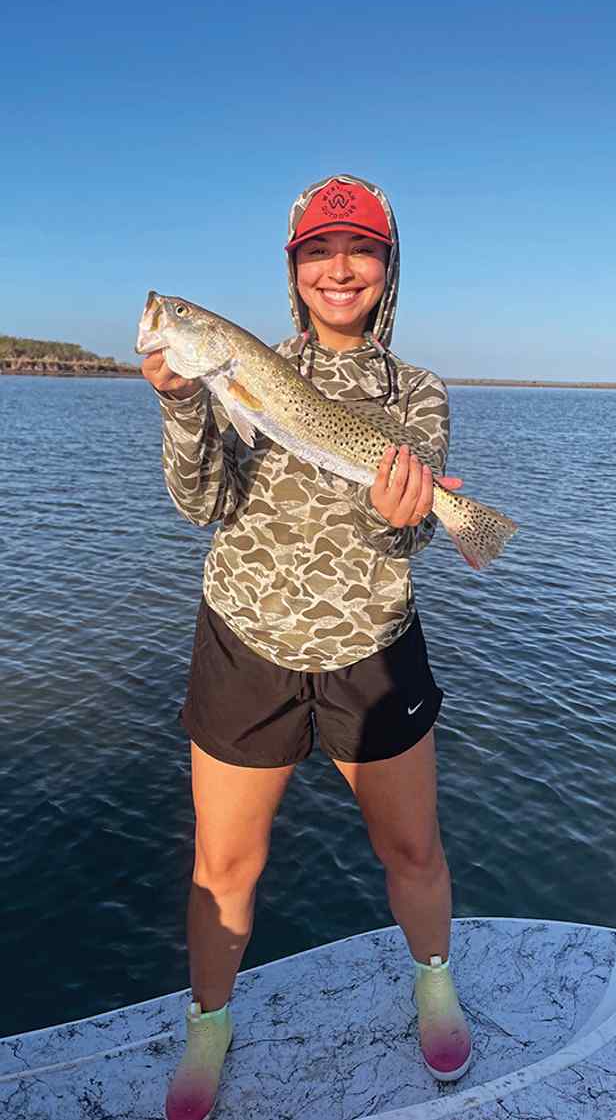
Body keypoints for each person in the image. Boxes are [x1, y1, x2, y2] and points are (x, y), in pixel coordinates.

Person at [142, 174, 473, 1120]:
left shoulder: (418, 393)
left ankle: (434, 978)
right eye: (318, 252)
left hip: (372, 649)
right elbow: (201, 503)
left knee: (414, 847)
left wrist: (410, 515)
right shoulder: (236, 366)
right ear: (292, 271)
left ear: (385, 267)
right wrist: (179, 401)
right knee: (224, 865)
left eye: (359, 249)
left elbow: (406, 538)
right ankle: (211, 1022)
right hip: (247, 643)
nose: (339, 269)